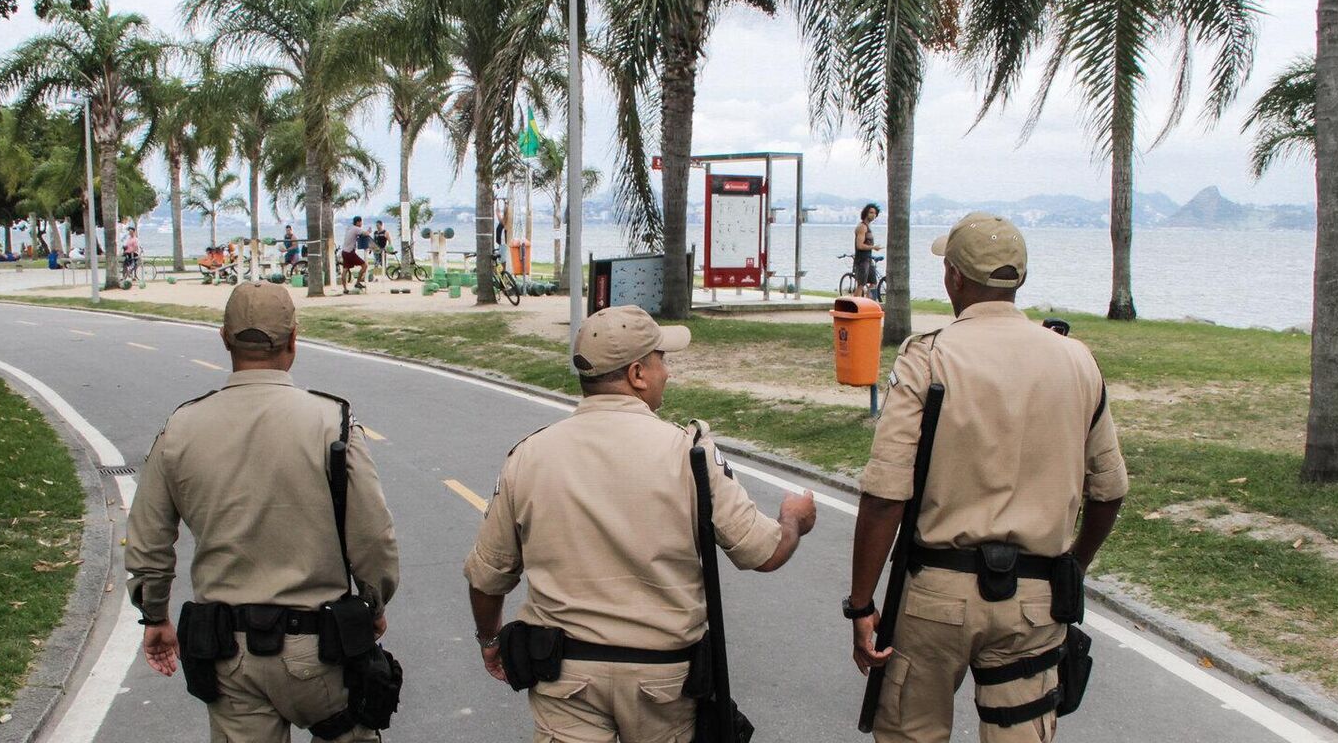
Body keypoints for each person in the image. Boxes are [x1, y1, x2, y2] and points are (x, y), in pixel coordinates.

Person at [466, 305, 818, 742]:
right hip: (663, 680)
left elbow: (488, 576)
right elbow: (763, 553)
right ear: (637, 373)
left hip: (566, 676)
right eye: (662, 359)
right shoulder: (689, 454)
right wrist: (793, 519)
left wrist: (489, 639)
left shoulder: (529, 455)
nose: (667, 372)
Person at [847, 212, 1128, 742]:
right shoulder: (1076, 360)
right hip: (1035, 598)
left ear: (953, 277)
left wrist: (861, 604)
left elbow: (886, 495)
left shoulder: (927, 358)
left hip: (936, 595)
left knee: (910, 732)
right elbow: (1109, 491)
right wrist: (1072, 567)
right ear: (1017, 280)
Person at [128, 281, 400, 743]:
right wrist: (373, 603)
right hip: (321, 653)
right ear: (294, 339)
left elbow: (149, 543)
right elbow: (374, 539)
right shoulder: (333, 423)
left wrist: (155, 616)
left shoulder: (181, 428)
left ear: (224, 339)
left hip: (229, 658)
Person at [853, 203, 883, 298]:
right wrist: (873, 247)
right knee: (861, 285)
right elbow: (859, 245)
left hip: (868, 259)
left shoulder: (868, 227)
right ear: (865, 213)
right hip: (862, 260)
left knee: (873, 283)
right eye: (871, 212)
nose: (873, 215)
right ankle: (855, 306)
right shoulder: (862, 227)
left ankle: (869, 303)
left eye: (875, 213)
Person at [339, 216, 369, 291]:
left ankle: (345, 289)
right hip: (350, 252)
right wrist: (369, 231)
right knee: (364, 266)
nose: (361, 224)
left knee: (345, 270)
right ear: (358, 222)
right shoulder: (356, 228)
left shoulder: (349, 227)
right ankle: (357, 283)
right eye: (361, 222)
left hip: (344, 251)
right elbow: (366, 234)